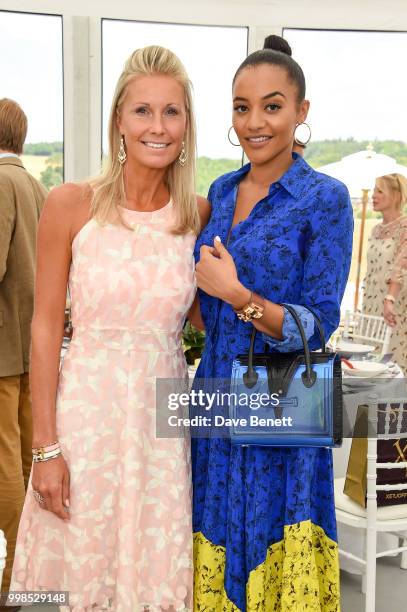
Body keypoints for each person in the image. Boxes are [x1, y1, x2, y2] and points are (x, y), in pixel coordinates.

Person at [10, 46, 209, 611]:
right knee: (74, 582)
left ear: (187, 125)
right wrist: (45, 449)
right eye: (142, 110)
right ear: (119, 119)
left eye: (172, 112)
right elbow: (45, 327)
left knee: (152, 583)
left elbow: (206, 321)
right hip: (84, 424)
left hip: (161, 431)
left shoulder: (198, 215)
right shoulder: (71, 204)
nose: (157, 126)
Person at [191, 35, 353, 610]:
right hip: (213, 395)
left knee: (273, 548)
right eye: (242, 107)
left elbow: (318, 325)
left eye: (273, 105)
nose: (254, 122)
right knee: (212, 534)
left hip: (284, 399)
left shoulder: (325, 199)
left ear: (301, 111)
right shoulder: (220, 189)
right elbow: (198, 304)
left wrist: (238, 296)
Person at [0, 98, 47, 607]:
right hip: (34, 347)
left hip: (2, 352)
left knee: (5, 466)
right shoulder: (36, 186)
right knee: (32, 462)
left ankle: (14, 581)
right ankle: (32, 576)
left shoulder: (0, 184)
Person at [362, 173, 407, 373]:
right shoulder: (376, 230)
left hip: (394, 305)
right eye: (373, 190)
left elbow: (401, 264)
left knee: (392, 363)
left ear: (396, 196)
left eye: (380, 191)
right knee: (368, 363)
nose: (373, 195)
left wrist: (390, 298)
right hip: (371, 306)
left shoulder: (405, 227)